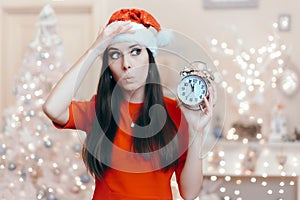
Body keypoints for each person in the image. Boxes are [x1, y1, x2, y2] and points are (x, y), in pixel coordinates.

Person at [43, 8, 215, 200]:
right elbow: (52, 108)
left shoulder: (175, 112)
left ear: (150, 58)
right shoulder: (99, 110)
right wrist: (95, 50)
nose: (126, 64)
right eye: (115, 55)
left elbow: (189, 193)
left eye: (135, 51)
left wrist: (196, 131)